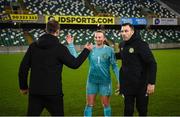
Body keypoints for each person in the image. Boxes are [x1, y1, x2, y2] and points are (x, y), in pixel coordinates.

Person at [18, 20, 93, 116]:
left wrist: (23, 87)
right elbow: (75, 64)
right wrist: (86, 50)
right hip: (54, 92)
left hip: (35, 92)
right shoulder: (60, 48)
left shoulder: (33, 46)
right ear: (58, 31)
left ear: (46, 30)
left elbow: (23, 68)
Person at [66, 30, 119, 117]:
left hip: (105, 82)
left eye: (99, 37)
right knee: (89, 105)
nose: (97, 39)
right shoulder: (90, 49)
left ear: (104, 38)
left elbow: (115, 66)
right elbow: (76, 57)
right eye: (96, 37)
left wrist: (119, 80)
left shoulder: (110, 50)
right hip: (92, 81)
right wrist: (70, 44)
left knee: (106, 104)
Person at [115, 23, 157, 116]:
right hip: (127, 85)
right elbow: (121, 55)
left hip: (141, 85)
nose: (123, 33)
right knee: (128, 110)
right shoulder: (122, 44)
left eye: (126, 31)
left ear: (132, 32)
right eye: (122, 31)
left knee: (142, 110)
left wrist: (151, 83)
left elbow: (152, 63)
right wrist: (108, 53)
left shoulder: (141, 45)